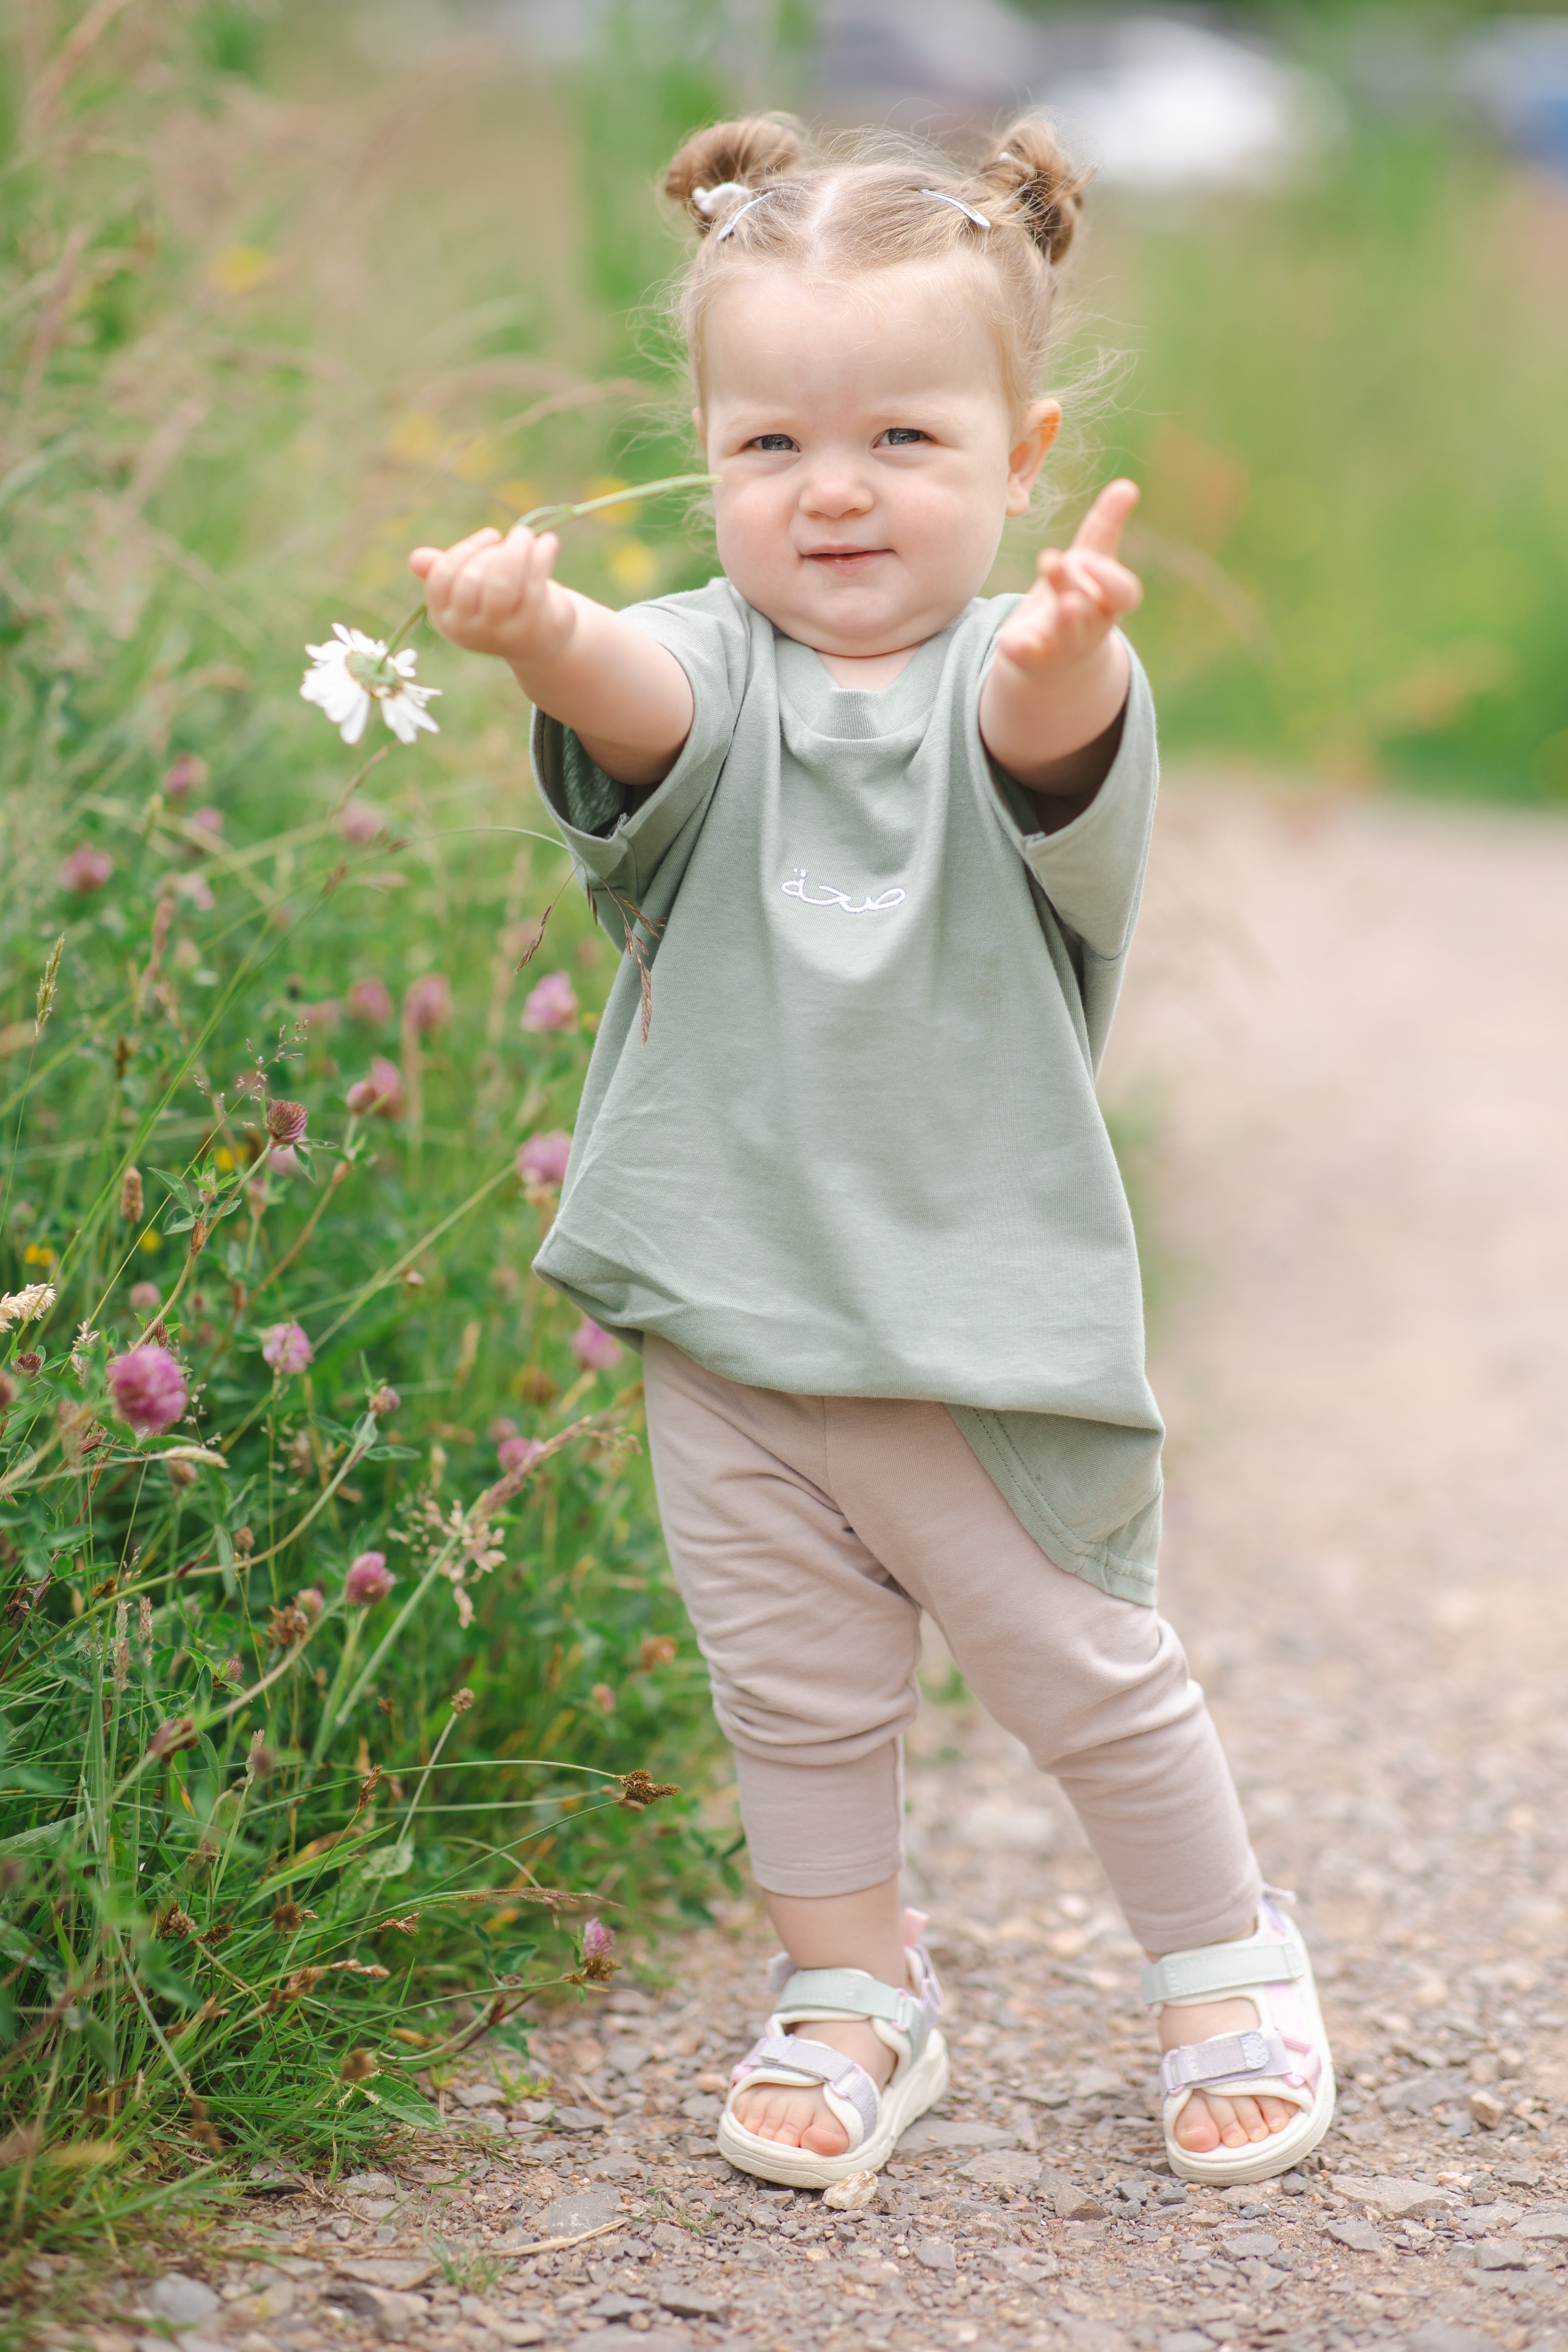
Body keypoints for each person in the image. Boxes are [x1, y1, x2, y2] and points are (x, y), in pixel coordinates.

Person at [410, 114, 1335, 2193]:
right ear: (707, 456)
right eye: (771, 445)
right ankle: (849, 1992)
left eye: (904, 439)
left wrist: (1072, 649)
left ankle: (1224, 1965)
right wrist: (533, 631)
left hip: (966, 1325)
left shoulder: (1025, 674)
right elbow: (634, 701)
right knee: (795, 1699)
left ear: (1022, 459)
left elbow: (1039, 748)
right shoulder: (706, 664)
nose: (832, 490)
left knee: (1083, 1674)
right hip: (731, 1316)